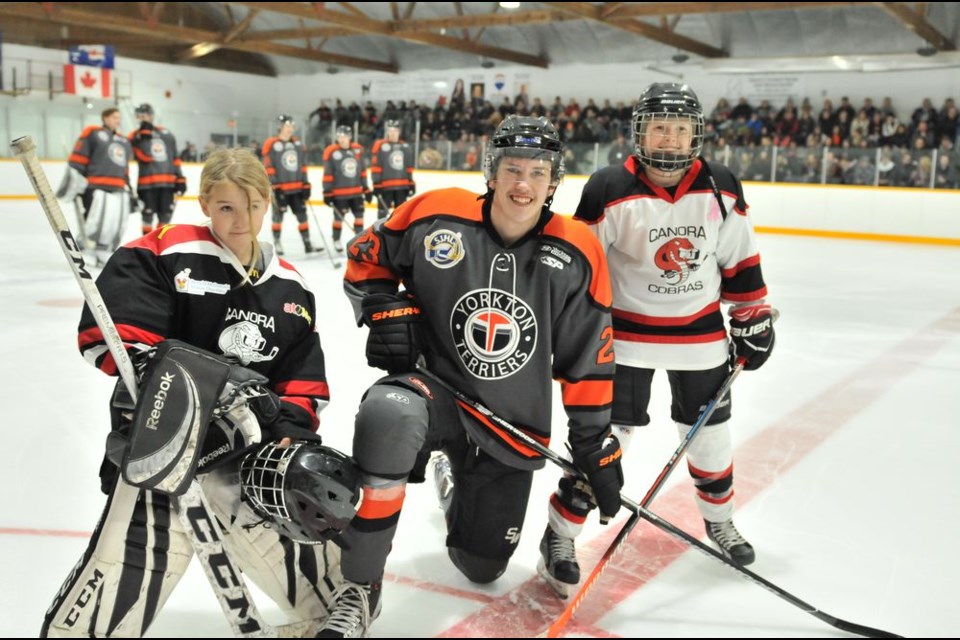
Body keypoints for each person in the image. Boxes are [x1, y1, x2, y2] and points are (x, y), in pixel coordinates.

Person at [314, 116, 622, 637]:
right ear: (492, 172)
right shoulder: (435, 214)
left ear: (554, 182)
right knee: (389, 413)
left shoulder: (576, 251)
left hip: (512, 421)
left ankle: (451, 478)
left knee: (482, 567)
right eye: (512, 169)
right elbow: (367, 261)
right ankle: (360, 586)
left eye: (538, 173)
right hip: (435, 391)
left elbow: (588, 355)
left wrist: (594, 441)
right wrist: (385, 307)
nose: (523, 184)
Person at [41, 148, 350, 638]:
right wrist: (201, 381)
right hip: (166, 453)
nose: (242, 220)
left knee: (329, 599)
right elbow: (113, 341)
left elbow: (302, 376)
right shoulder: (164, 251)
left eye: (252, 206)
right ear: (205, 203)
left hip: (250, 460)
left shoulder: (292, 285)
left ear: (268, 202)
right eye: (227, 207)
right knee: (96, 617)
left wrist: (289, 429)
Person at [539, 82, 777, 598]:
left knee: (711, 438)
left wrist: (752, 316)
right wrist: (574, 328)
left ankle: (720, 520)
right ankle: (559, 537)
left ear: (696, 134)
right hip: (623, 340)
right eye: (659, 127)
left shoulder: (722, 185)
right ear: (639, 132)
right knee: (606, 443)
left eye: (680, 128)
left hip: (702, 338)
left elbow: (739, 259)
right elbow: (581, 267)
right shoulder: (607, 187)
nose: (669, 139)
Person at [65, 107, 135, 266]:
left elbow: (124, 166)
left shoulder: (123, 141)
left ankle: (104, 250)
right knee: (93, 220)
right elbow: (79, 156)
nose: (118, 120)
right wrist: (76, 177)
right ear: (105, 118)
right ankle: (86, 250)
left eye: (119, 117)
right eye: (114, 117)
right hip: (95, 185)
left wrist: (128, 186)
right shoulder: (93, 133)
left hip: (117, 187)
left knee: (112, 222)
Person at [261, 114, 316, 256]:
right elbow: (268, 167)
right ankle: (277, 243)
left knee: (302, 216)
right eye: (287, 126)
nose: (290, 128)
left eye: (292, 126)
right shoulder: (271, 144)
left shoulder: (298, 144)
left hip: (297, 189)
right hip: (280, 190)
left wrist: (306, 183)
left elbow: (302, 166)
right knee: (278, 217)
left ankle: (307, 243)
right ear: (280, 127)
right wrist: (275, 187)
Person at [129, 103, 187, 235]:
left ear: (151, 116)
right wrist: (143, 138)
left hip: (167, 184)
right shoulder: (134, 136)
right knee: (147, 217)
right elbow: (145, 156)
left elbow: (174, 158)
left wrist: (180, 177)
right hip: (146, 185)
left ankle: (160, 247)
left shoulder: (166, 134)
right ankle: (147, 246)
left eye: (146, 115)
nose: (143, 118)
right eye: (140, 116)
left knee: (165, 217)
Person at [322, 125, 371, 252]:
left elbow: (362, 171)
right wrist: (327, 191)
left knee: (359, 216)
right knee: (338, 218)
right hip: (339, 194)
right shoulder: (331, 151)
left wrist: (366, 188)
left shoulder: (358, 150)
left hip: (356, 193)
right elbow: (328, 173)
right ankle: (336, 239)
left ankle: (358, 240)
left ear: (350, 137)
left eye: (344, 136)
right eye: (339, 136)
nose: (342, 138)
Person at [369, 119, 415, 220]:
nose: (392, 133)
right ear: (387, 131)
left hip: (402, 187)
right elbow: (376, 166)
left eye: (395, 130)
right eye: (390, 130)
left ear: (399, 131)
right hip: (385, 187)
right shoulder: (379, 145)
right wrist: (376, 184)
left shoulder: (405, 146)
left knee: (401, 215)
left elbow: (408, 167)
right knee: (382, 215)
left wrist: (410, 182)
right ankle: (380, 234)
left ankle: (398, 235)